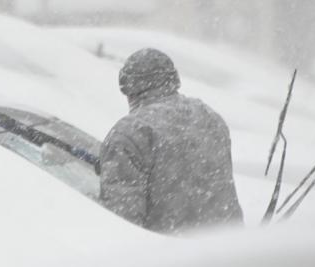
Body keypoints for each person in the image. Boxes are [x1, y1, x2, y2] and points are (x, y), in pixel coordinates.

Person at [98, 48, 243, 234]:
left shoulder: (130, 134)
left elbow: (122, 222)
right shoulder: (210, 118)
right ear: (173, 79)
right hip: (230, 246)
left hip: (169, 250)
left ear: (129, 89)